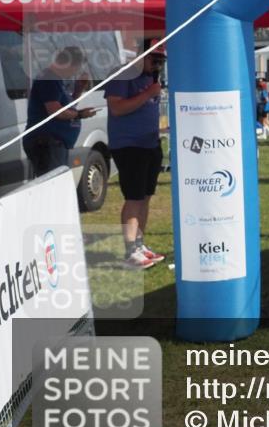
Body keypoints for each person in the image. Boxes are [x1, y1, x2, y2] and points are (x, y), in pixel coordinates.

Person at [104, 41, 166, 269]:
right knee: (134, 197)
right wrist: (148, 93)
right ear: (140, 56)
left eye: (161, 61)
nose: (157, 65)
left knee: (146, 196)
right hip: (129, 146)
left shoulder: (151, 79)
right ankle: (130, 250)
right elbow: (117, 108)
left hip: (150, 143)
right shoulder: (122, 75)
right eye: (154, 59)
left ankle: (140, 244)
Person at [24, 46, 98, 177]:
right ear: (69, 63)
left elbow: (67, 108)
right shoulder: (49, 79)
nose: (77, 72)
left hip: (54, 144)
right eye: (77, 67)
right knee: (52, 185)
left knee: (56, 183)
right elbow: (55, 111)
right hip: (47, 143)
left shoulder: (56, 80)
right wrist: (80, 114)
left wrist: (78, 89)